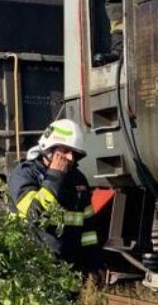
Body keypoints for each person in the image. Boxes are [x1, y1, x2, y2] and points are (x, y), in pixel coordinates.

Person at [7, 119, 105, 281]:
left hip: (69, 269)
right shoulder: (24, 175)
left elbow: (88, 228)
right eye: (65, 151)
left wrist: (94, 262)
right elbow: (34, 214)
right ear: (49, 149)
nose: (70, 158)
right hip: (33, 268)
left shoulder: (77, 179)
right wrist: (55, 177)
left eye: (74, 154)